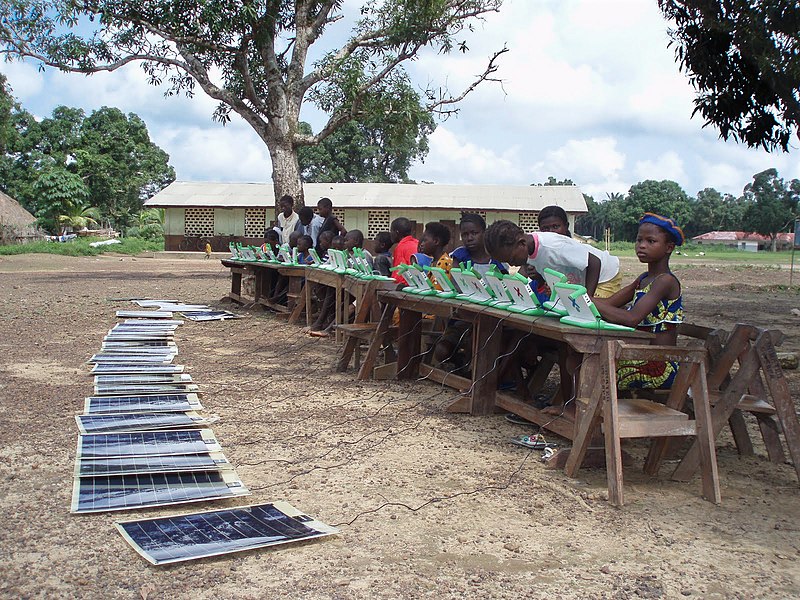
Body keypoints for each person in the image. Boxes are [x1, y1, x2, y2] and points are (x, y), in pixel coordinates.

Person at [593, 213, 685, 390]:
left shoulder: (665, 281)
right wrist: (577, 295)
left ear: (669, 247)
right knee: (579, 357)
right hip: (640, 356)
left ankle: (582, 412)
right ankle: (572, 409)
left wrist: (588, 299)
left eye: (651, 241)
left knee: (592, 365)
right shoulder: (643, 279)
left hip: (658, 364)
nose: (641, 245)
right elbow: (610, 302)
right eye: (639, 240)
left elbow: (632, 318)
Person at [483, 220, 620, 298]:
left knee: (593, 314)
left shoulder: (553, 247)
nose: (511, 264)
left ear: (521, 243)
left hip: (605, 276)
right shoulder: (527, 250)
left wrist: (588, 298)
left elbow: (595, 262)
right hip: (583, 279)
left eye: (511, 259)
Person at [389, 217, 418, 284]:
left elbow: (399, 275)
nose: (390, 234)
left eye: (391, 231)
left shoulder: (401, 247)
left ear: (397, 232)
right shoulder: (417, 243)